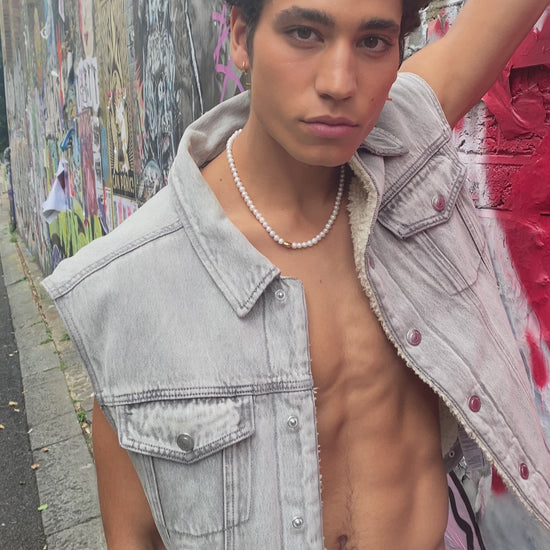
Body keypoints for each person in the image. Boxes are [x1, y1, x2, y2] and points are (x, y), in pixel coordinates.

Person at [43, 0, 550, 549]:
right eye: (305, 33)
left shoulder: (406, 150)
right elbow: (135, 534)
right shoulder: (129, 287)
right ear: (241, 37)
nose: (339, 83)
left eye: (373, 42)